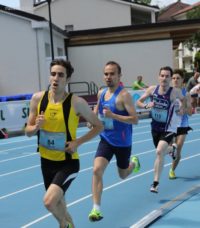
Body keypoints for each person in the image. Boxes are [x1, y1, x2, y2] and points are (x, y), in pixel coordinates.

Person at [25, 59, 103, 228]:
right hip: (46, 161)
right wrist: (36, 127)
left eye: (61, 75)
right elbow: (27, 132)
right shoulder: (38, 99)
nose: (56, 78)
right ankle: (68, 225)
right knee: (59, 204)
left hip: (67, 162)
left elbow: (99, 126)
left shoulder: (77, 102)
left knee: (49, 202)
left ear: (67, 79)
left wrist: (78, 142)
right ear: (49, 77)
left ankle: (64, 224)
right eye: (53, 74)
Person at [88, 61, 140, 222]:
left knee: (123, 175)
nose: (108, 77)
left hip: (123, 142)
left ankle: (133, 164)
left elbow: (135, 119)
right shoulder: (101, 93)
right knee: (97, 170)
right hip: (106, 139)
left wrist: (114, 116)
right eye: (106, 74)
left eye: (112, 74)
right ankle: (96, 209)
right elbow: (97, 111)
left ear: (119, 76)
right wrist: (92, 119)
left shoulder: (124, 95)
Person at [136, 66, 185, 193]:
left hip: (169, 127)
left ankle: (155, 183)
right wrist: (147, 105)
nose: (164, 78)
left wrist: (181, 109)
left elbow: (184, 102)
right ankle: (172, 149)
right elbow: (138, 102)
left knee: (159, 152)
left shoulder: (175, 92)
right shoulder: (152, 90)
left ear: (170, 78)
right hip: (155, 127)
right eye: (162, 76)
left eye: (167, 76)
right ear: (159, 77)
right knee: (162, 151)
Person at [169, 69, 192, 179]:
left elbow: (190, 112)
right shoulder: (167, 92)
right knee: (170, 148)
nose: (175, 80)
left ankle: (172, 170)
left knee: (178, 149)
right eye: (173, 78)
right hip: (170, 125)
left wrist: (184, 109)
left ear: (182, 80)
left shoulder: (186, 94)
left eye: (178, 78)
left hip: (182, 125)